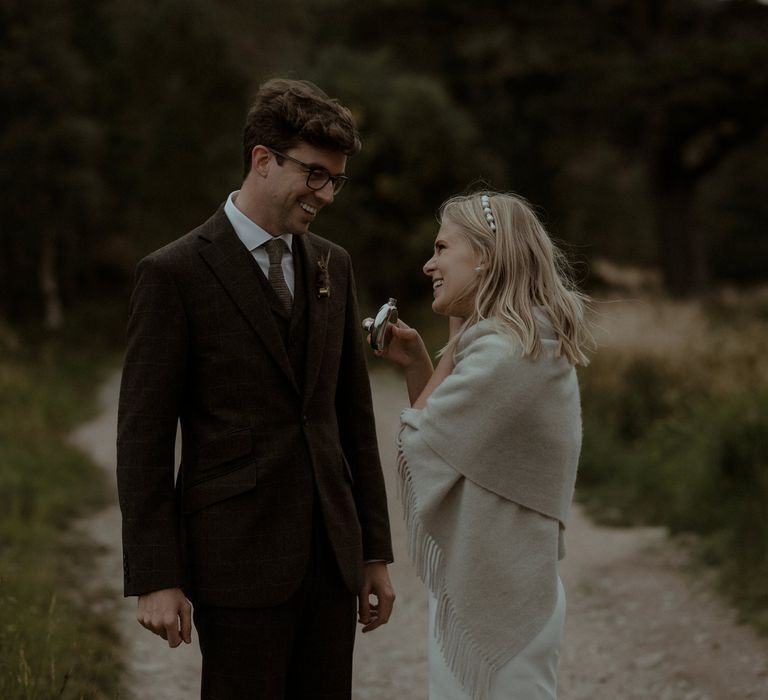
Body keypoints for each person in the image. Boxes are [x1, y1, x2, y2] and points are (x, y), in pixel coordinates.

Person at [117, 78, 395, 700]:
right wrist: (155, 576)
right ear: (262, 160)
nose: (324, 194)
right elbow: (144, 437)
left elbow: (353, 416)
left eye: (335, 180)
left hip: (331, 555)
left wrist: (374, 551)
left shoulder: (334, 264)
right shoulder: (174, 273)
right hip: (234, 557)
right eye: (315, 174)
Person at [374, 191, 590, 700]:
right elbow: (451, 442)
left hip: (504, 591)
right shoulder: (510, 340)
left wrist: (443, 351)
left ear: (486, 257)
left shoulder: (509, 351)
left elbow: (418, 440)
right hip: (493, 580)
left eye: (442, 247)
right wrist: (422, 363)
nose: (429, 264)